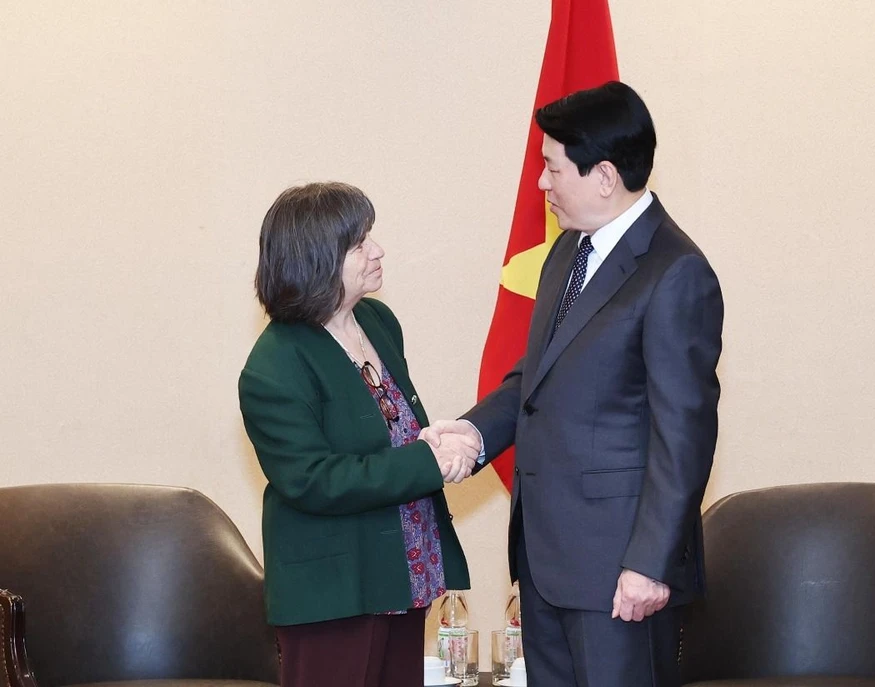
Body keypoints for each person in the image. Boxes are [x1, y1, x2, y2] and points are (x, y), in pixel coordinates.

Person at [426, 81, 724, 687]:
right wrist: (473, 433)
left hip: (620, 575)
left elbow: (683, 436)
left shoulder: (675, 273)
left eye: (551, 167)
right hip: (546, 561)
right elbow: (535, 379)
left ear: (605, 176)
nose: (542, 183)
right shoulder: (567, 252)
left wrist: (649, 565)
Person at [238, 182, 478, 687]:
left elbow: (390, 430)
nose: (378, 250)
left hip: (404, 570)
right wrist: (426, 462)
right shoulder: (274, 365)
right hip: (335, 590)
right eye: (359, 243)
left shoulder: (377, 320)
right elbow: (314, 479)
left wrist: (440, 443)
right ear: (317, 259)